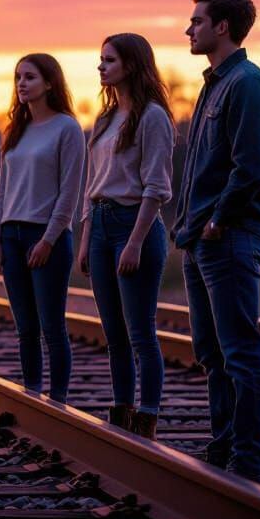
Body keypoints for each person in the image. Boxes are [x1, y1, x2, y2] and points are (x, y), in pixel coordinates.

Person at [173, 0, 260, 483]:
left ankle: (249, 461)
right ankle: (225, 447)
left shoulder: (247, 84)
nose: (189, 29)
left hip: (229, 235)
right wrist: (192, 228)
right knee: (212, 353)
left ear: (222, 27)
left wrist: (217, 220)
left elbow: (251, 166)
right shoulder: (214, 84)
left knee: (239, 351)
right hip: (201, 237)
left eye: (196, 21)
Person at [78, 34, 175, 439]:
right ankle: (121, 411)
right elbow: (92, 182)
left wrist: (134, 242)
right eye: (100, 60)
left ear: (131, 65)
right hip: (100, 226)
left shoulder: (152, 116)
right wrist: (85, 238)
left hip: (134, 225)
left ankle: (147, 418)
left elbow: (157, 187)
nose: (101, 67)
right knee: (113, 334)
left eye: (109, 60)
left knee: (140, 331)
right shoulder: (104, 119)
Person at [0, 54, 84, 404]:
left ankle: (58, 400)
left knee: (51, 327)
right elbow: (3, 189)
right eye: (18, 77)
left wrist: (49, 238)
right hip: (12, 237)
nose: (22, 84)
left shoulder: (67, 128)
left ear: (49, 83)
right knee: (25, 329)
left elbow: (69, 192)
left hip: (47, 237)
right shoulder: (15, 129)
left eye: (29, 77)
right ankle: (32, 395)